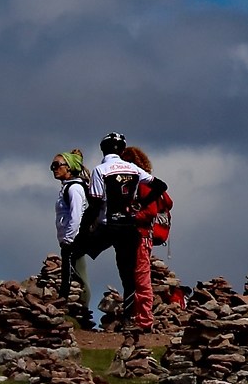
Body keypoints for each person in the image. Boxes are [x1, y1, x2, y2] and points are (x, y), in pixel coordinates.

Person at [94, 134, 164, 331]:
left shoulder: (139, 185)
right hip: (136, 233)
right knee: (134, 276)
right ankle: (137, 317)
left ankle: (142, 321)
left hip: (139, 234)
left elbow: (149, 212)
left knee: (138, 277)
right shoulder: (141, 181)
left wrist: (132, 212)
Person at [51, 151, 100, 323]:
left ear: (69, 168)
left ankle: (81, 311)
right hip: (71, 239)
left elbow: (76, 216)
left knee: (77, 274)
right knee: (74, 272)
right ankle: (77, 309)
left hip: (73, 240)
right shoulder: (69, 187)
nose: (53, 169)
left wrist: (69, 240)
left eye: (57, 165)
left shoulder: (75, 188)